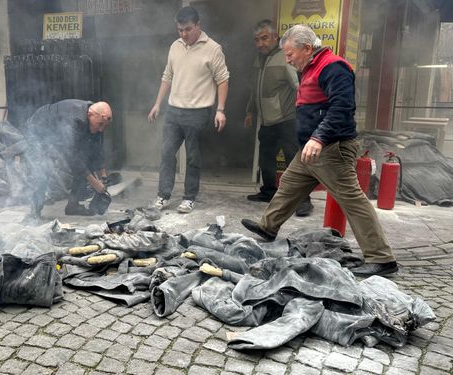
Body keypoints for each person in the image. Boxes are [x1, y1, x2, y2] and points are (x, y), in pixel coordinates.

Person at [241, 25, 398, 276]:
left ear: (306, 48)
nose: (288, 59)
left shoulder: (333, 67)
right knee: (289, 185)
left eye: (290, 54)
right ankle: (267, 228)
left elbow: (342, 107)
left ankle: (381, 257)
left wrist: (319, 137)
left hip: (331, 147)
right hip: (312, 148)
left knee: (352, 200)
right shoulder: (310, 67)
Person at [148, 6, 229, 214]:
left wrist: (220, 109)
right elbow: (168, 76)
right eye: (180, 30)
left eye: (188, 29)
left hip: (198, 112)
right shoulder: (175, 46)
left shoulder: (213, 48)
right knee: (166, 153)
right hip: (173, 111)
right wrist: (157, 103)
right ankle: (163, 195)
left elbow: (223, 79)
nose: (183, 34)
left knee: (193, 157)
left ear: (198, 25)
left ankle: (189, 198)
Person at [244, 19, 313, 217]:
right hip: (267, 122)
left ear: (275, 37)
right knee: (266, 159)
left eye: (264, 38)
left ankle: (303, 201)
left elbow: (298, 87)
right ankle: (268, 192)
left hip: (287, 120)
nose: (260, 43)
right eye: (257, 40)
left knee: (294, 162)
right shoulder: (259, 59)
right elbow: (254, 89)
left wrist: (305, 115)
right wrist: (250, 111)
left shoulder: (285, 58)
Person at [23, 99, 112, 223]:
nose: (101, 129)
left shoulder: (95, 117)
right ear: (90, 115)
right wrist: (94, 182)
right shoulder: (73, 120)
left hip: (59, 135)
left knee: (86, 157)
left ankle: (73, 205)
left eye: (104, 126)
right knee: (43, 168)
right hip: (38, 131)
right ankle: (34, 212)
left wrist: (103, 177)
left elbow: (97, 148)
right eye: (100, 125)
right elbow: (72, 156)